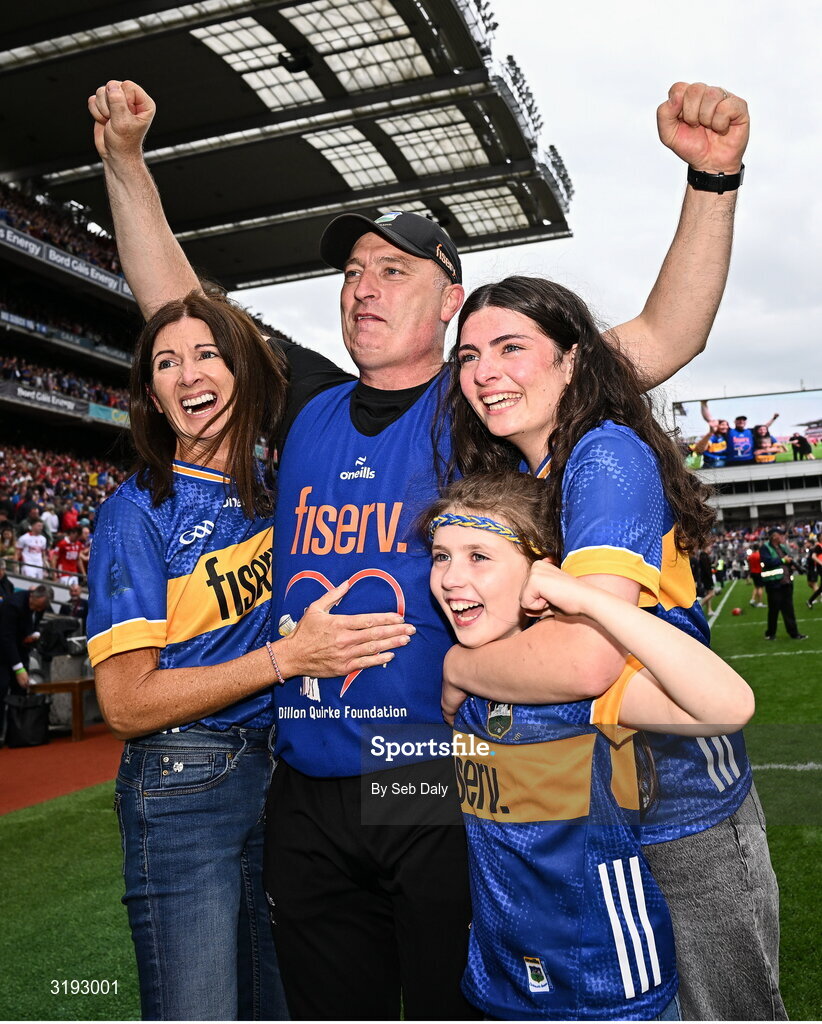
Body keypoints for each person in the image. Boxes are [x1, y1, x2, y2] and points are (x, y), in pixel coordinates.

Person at [89, 77, 750, 1019]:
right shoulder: (305, 401)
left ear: (450, 301)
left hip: (432, 775)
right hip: (306, 781)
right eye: (353, 272)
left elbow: (664, 334)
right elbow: (181, 307)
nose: (364, 286)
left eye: (393, 270)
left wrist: (712, 182)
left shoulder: (482, 401)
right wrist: (126, 163)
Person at [441, 276, 785, 1020]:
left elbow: (585, 661)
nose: (484, 371)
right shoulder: (524, 476)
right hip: (609, 804)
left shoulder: (602, 454)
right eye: (468, 356)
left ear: (572, 359)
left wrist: (460, 666)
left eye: (510, 347)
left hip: (684, 810)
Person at [86, 293, 412, 1021]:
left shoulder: (279, 499)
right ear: (152, 396)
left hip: (282, 779)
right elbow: (126, 705)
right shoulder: (135, 512)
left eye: (207, 354)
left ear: (245, 375)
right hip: (182, 779)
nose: (187, 374)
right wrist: (285, 660)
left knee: (281, 1005)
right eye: (166, 363)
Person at [423, 472, 754, 1020]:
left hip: (605, 982)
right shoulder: (469, 675)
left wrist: (587, 598)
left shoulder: (579, 683)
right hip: (500, 976)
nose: (451, 578)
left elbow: (728, 706)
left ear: (543, 571)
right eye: (441, 556)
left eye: (479, 556)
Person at [0, 584, 53, 743]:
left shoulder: (41, 605)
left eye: (40, 608)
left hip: (21, 649)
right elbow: (6, 639)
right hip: (3, 652)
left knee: (20, 690)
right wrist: (18, 669)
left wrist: (34, 634)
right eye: (35, 606)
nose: (37, 610)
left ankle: (16, 734)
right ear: (32, 596)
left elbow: (36, 623)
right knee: (2, 688)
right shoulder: (12, 605)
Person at [760, 528, 807, 640]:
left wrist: (793, 565)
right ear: (774, 536)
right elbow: (767, 562)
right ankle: (771, 634)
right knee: (774, 610)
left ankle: (794, 633)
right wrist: (783, 560)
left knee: (789, 610)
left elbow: (788, 560)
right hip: (773, 584)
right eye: (781, 535)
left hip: (786, 583)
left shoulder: (783, 547)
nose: (783, 537)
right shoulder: (765, 548)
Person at [807, 536, 822, 609]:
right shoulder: (818, 546)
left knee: (820, 588)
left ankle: (810, 601)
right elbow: (813, 556)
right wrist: (821, 563)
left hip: (817, 569)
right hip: (819, 568)